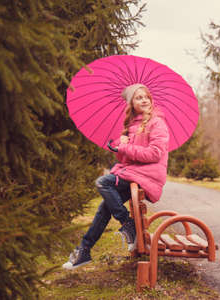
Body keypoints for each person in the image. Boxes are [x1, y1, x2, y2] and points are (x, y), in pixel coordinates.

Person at [63, 83, 169, 270]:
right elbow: (125, 157)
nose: (144, 100)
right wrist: (122, 146)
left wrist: (126, 147)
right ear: (131, 103)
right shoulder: (131, 125)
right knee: (104, 208)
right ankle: (84, 251)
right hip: (132, 172)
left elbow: (155, 154)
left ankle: (127, 224)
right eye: (138, 97)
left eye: (146, 96)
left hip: (148, 173)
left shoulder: (157, 122)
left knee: (103, 182)